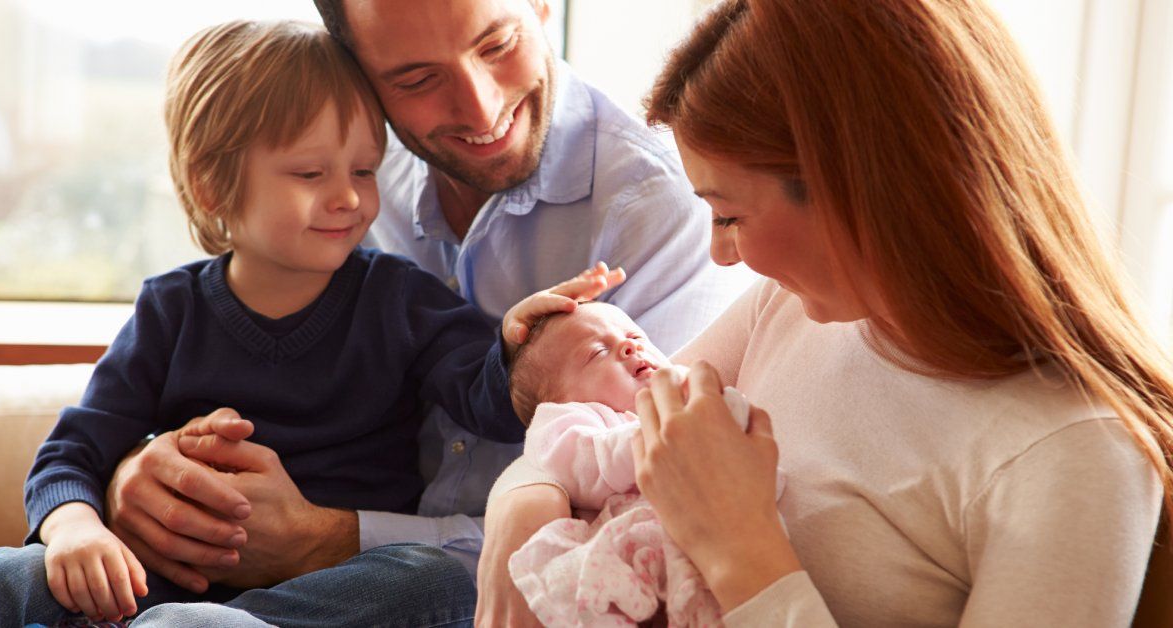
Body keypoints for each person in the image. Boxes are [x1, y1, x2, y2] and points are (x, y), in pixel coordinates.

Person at [479, 0, 1173, 625]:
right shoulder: (787, 312)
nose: (721, 256)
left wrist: (742, 550)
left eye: (729, 215)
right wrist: (524, 499)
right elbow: (597, 427)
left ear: (856, 191)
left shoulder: (1076, 455)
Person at [97, 0, 746, 622]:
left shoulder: (658, 211)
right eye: (415, 78)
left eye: (498, 43)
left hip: (444, 592)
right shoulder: (342, 165)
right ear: (361, 76)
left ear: (542, 9)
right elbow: (114, 414)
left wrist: (328, 538)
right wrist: (132, 473)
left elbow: (634, 529)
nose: (480, 105)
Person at [0, 19, 528, 626]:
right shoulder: (170, 309)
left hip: (326, 591)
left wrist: (526, 343)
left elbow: (488, 399)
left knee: (438, 581)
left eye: (364, 171)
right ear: (213, 187)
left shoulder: (400, 299)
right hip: (156, 581)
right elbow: (71, 453)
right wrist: (75, 531)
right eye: (311, 174)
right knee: (5, 575)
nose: (348, 198)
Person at [502, 299, 759, 626]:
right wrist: (662, 433)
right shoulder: (569, 422)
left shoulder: (684, 386)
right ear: (557, 400)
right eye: (597, 352)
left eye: (636, 338)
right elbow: (586, 463)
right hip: (634, 556)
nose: (627, 346)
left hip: (721, 549)